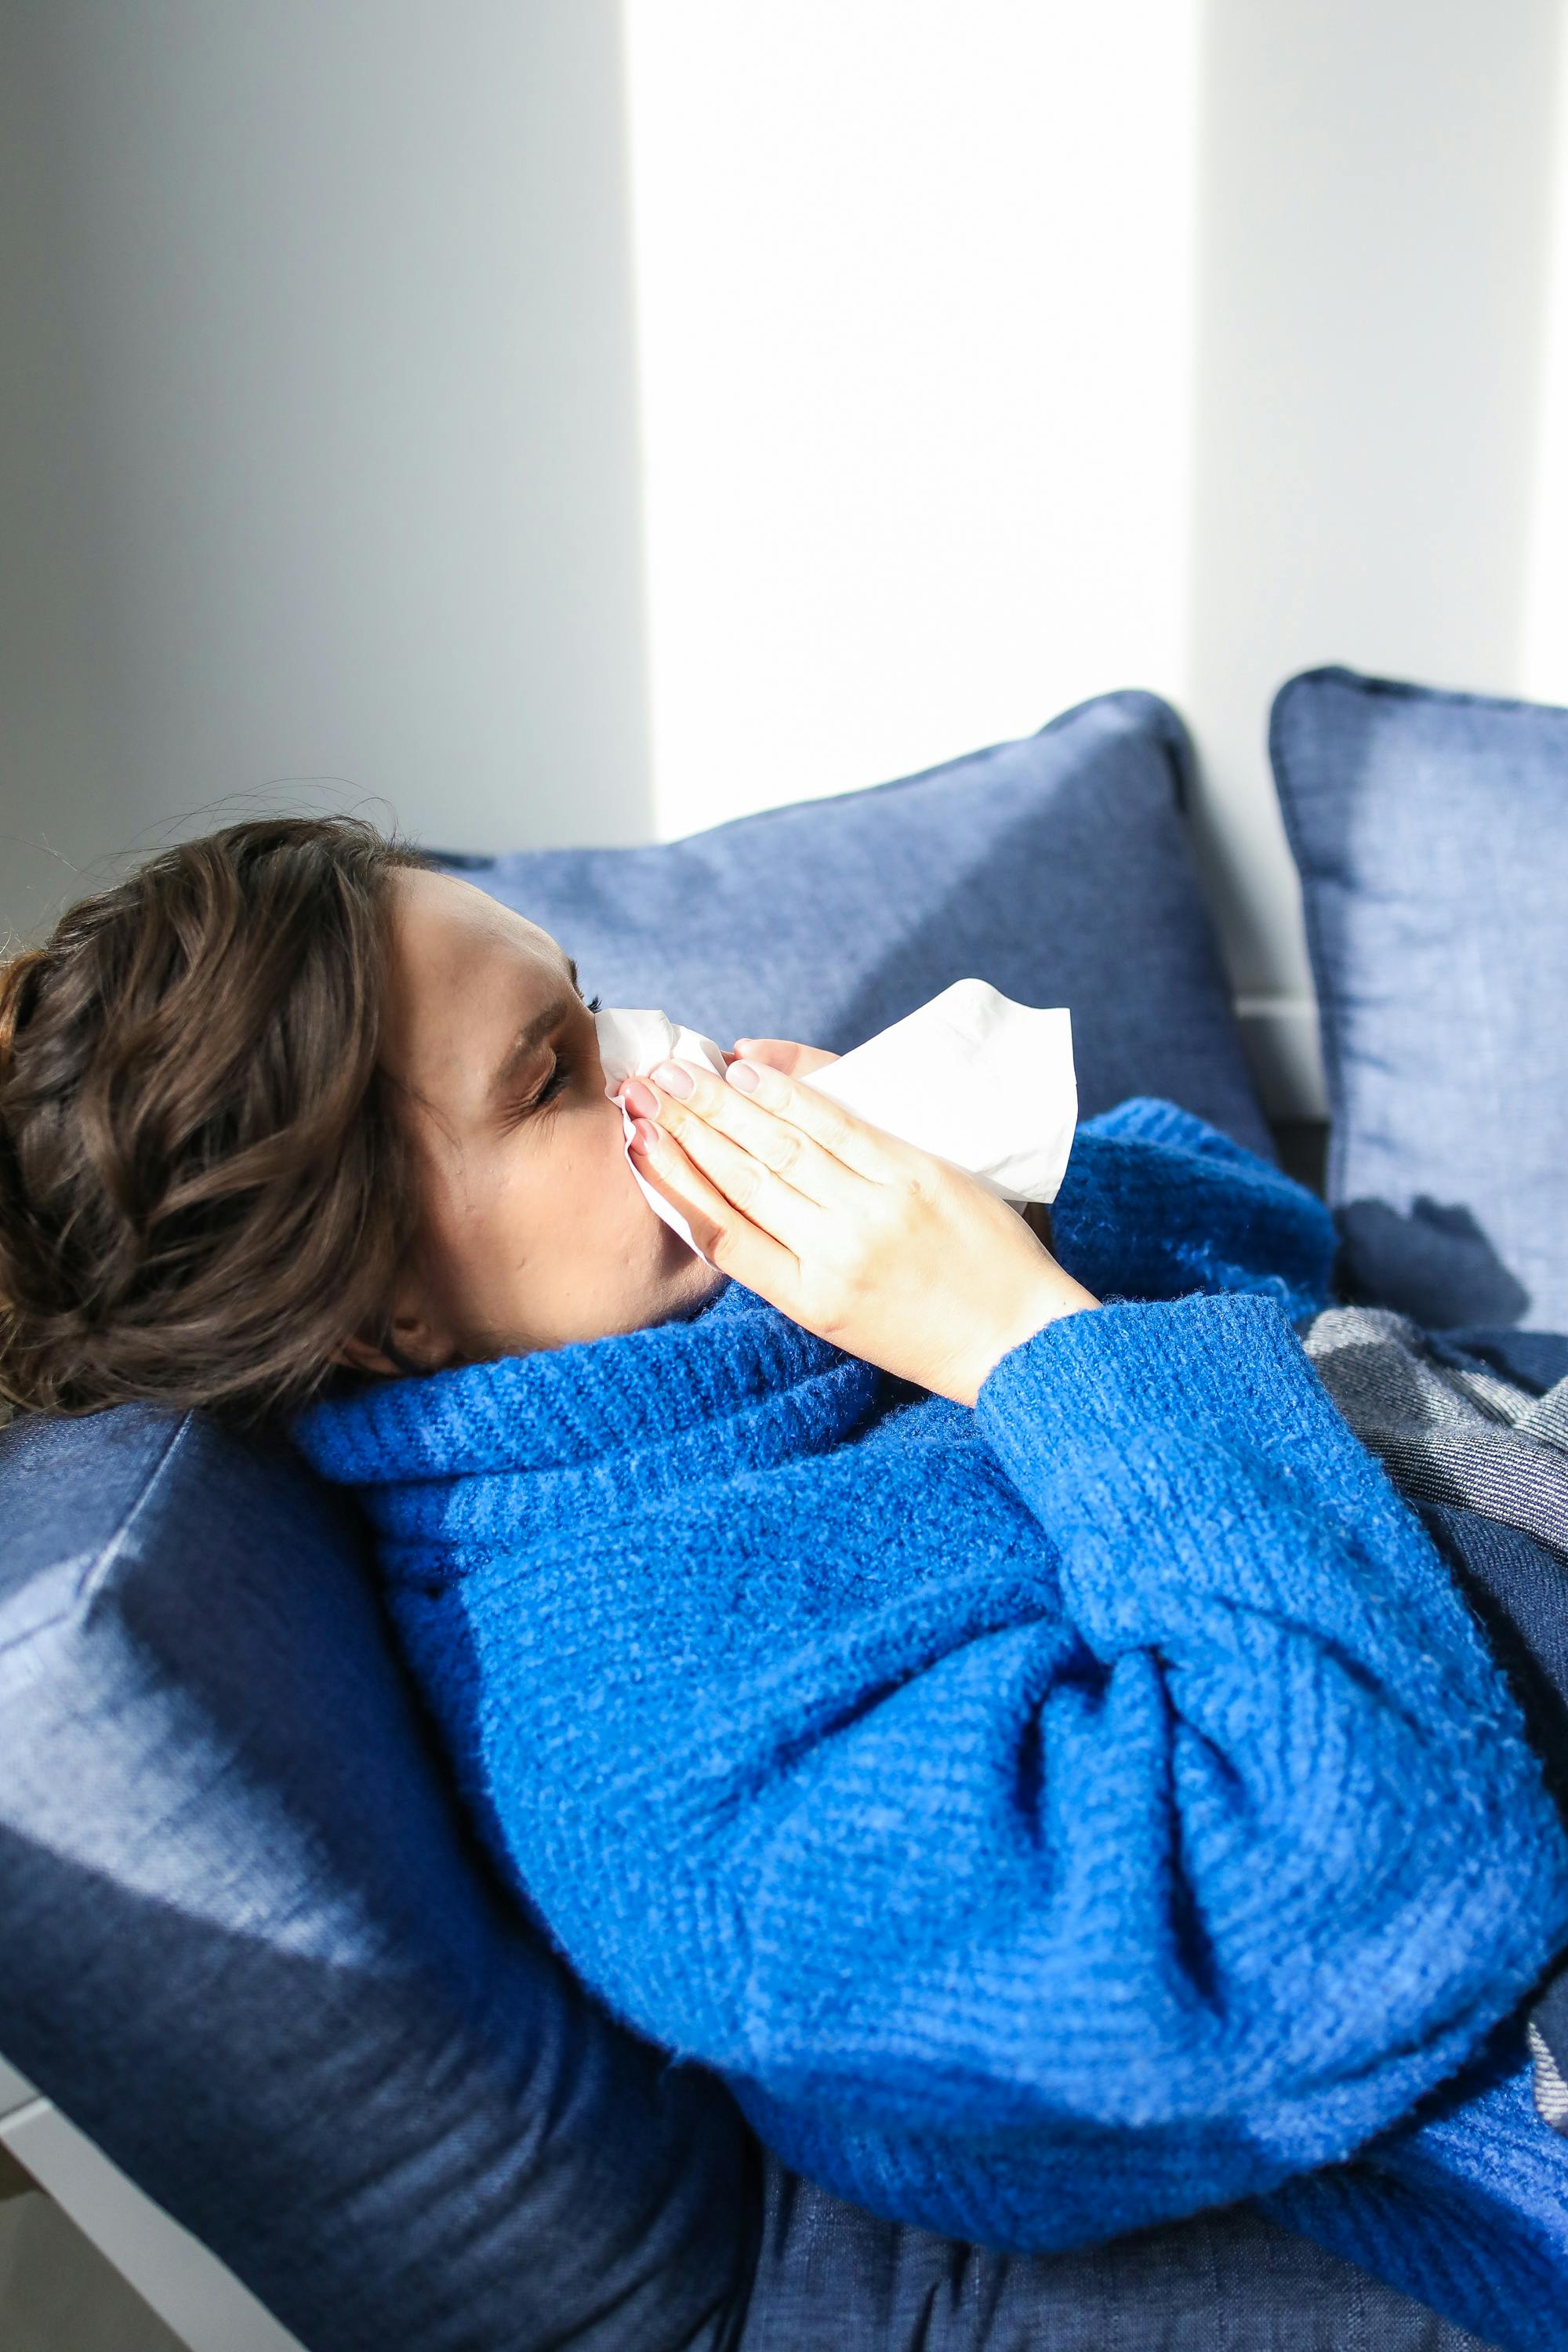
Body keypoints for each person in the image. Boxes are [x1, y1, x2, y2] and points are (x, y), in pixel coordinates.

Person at [2, 817, 1566, 2352]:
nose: (666, 1052)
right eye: (556, 1073)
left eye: (594, 995)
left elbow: (1284, 1254)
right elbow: (1360, 1888)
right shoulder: (640, 1741)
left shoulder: (756, 1325)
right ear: (375, 1309)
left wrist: (996, 1210)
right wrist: (1022, 1346)